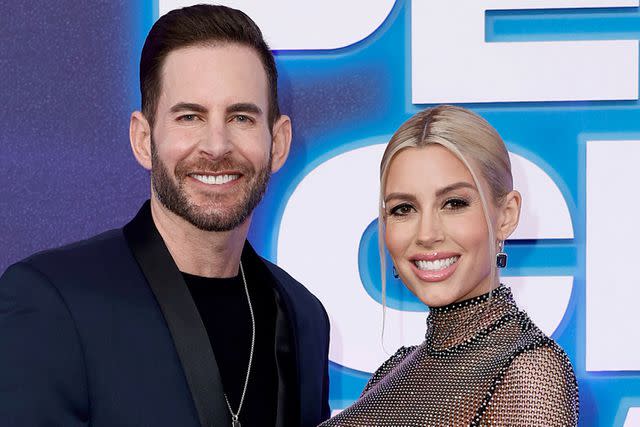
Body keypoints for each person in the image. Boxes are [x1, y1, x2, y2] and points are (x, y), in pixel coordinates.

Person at [0, 5, 330, 427]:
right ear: (143, 139)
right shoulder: (54, 302)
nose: (216, 146)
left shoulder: (304, 318)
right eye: (190, 116)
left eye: (241, 117)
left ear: (278, 142)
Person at [321, 105, 578, 426]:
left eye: (454, 203)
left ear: (507, 215)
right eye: (403, 209)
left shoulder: (528, 371)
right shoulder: (393, 369)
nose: (427, 234)